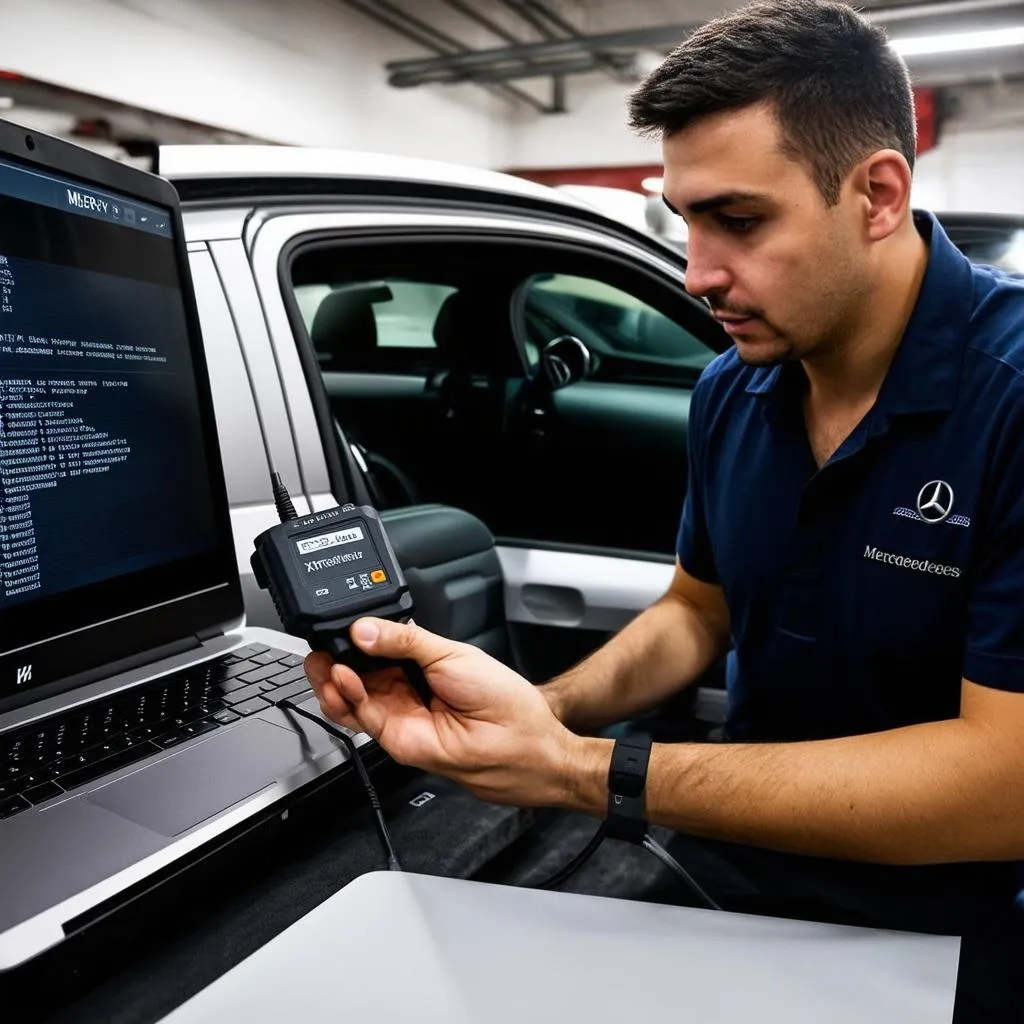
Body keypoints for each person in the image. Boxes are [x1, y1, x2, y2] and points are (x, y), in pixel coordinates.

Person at [305, 1, 1024, 1018]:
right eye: (685, 220)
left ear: (876, 194)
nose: (698, 275)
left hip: (953, 910)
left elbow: (1005, 783)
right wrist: (535, 715)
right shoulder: (732, 390)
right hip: (734, 866)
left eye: (738, 221)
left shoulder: (1010, 399)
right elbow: (697, 610)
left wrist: (580, 768)